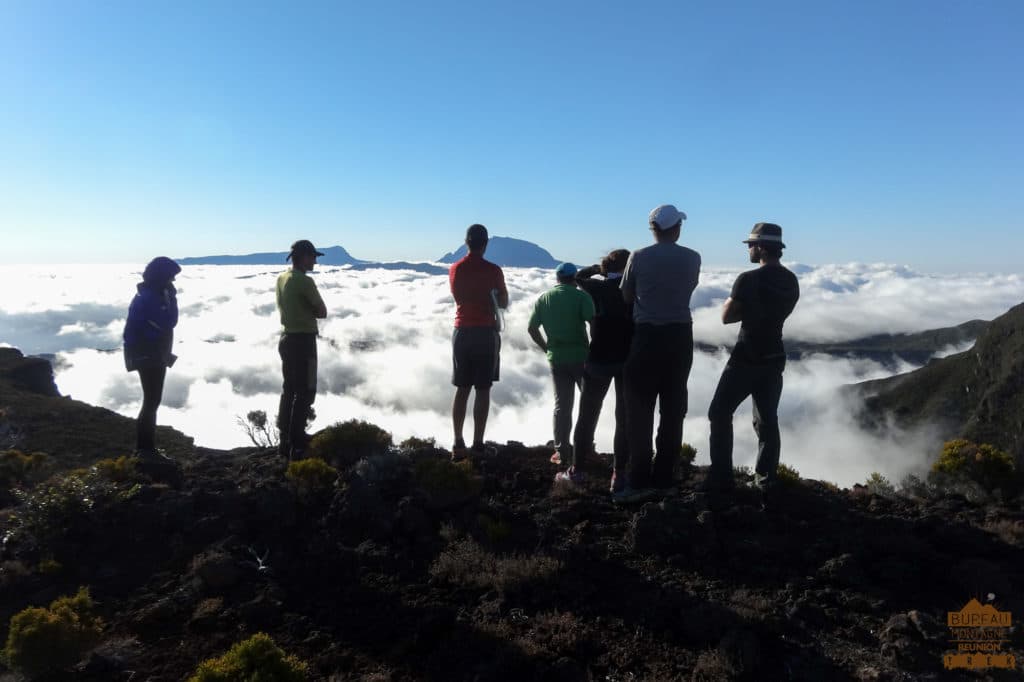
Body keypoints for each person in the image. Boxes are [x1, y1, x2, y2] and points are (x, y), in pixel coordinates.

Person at [706, 223, 800, 508]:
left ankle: (722, 479)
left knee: (719, 413)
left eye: (750, 244)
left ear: (760, 247)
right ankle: (765, 480)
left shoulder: (747, 279)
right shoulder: (791, 280)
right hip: (775, 355)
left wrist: (740, 307)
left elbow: (726, 316)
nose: (748, 249)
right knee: (767, 420)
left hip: (746, 356)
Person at [616, 204, 701, 502]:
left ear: (653, 229)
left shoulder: (638, 257)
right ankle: (665, 477)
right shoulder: (693, 258)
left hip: (646, 338)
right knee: (673, 408)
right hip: (679, 337)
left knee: (639, 411)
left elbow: (626, 294)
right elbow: (689, 287)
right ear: (676, 228)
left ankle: (638, 481)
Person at [555, 250, 633, 488]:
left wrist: (596, 269)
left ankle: (577, 470)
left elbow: (577, 277)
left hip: (599, 358)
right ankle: (619, 474)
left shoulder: (598, 289)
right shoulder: (634, 290)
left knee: (588, 414)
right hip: (628, 359)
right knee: (624, 417)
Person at [528, 262, 595, 475]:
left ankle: (561, 451)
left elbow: (532, 328)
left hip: (557, 358)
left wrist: (546, 347)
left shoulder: (544, 299)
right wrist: (594, 347)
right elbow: (594, 323)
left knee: (562, 406)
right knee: (588, 405)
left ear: (557, 279)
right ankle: (586, 449)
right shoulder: (581, 297)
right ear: (574, 278)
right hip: (582, 357)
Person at [449, 224, 508, 459]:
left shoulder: (455, 269)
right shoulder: (493, 270)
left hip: (461, 331)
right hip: (485, 332)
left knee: (462, 388)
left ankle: (458, 443)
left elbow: (458, 296)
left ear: (466, 242)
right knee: (483, 389)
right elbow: (502, 303)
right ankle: (478, 444)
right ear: (485, 244)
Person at [123, 256, 181, 458]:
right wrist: (172, 298)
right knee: (151, 401)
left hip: (146, 353)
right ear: (162, 277)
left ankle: (145, 448)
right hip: (149, 354)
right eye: (171, 277)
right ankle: (145, 449)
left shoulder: (146, 294)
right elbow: (169, 321)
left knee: (151, 401)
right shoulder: (153, 297)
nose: (173, 281)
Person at [276, 239, 327, 460]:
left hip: (286, 338)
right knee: (306, 390)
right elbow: (322, 312)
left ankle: (284, 439)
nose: (315, 260)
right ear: (304, 257)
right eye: (313, 256)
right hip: (303, 341)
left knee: (289, 389)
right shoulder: (304, 282)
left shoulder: (282, 277)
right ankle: (297, 441)